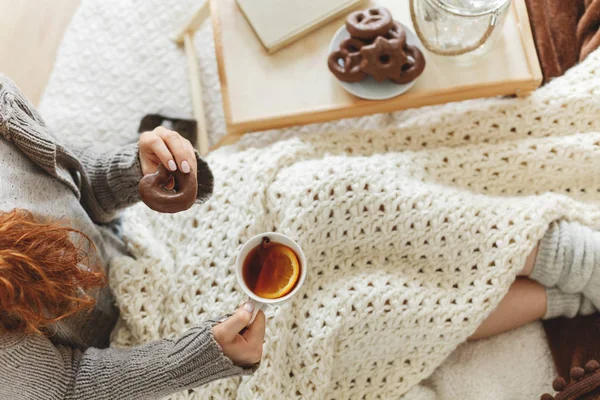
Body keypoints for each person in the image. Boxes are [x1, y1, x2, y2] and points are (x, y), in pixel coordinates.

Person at [0, 74, 265, 400]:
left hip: (127, 242)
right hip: (128, 352)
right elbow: (69, 386)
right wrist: (204, 356)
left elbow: (69, 175)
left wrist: (134, 169)